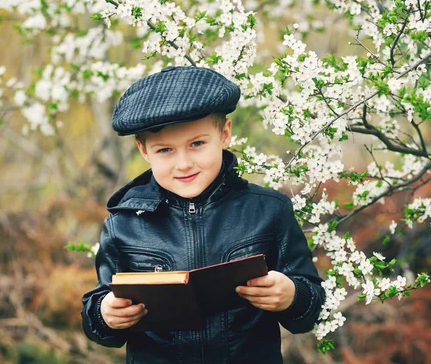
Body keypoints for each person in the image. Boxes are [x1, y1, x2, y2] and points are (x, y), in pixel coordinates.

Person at [81, 66, 325, 363]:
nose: (183, 164)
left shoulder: (269, 210)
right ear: (144, 150)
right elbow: (98, 322)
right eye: (165, 150)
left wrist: (292, 296)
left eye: (197, 144)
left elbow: (309, 311)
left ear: (224, 134)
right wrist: (106, 314)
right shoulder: (124, 223)